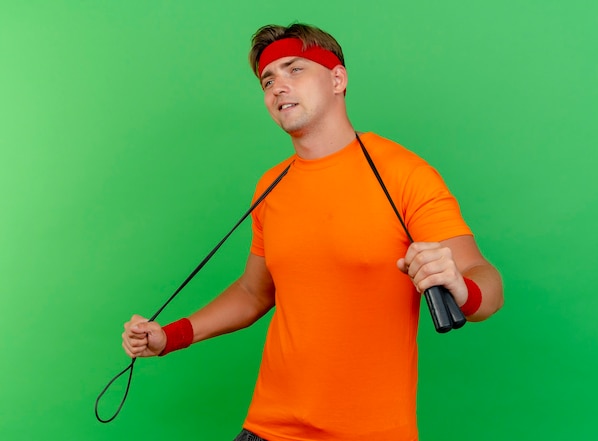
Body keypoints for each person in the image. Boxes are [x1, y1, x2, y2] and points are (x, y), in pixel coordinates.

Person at [122, 23, 504, 441]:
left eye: (294, 70)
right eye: (268, 80)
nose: (278, 87)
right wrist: (169, 336)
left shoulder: (405, 175)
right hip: (269, 428)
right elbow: (254, 292)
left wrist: (459, 287)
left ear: (337, 79)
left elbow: (487, 285)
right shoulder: (272, 186)